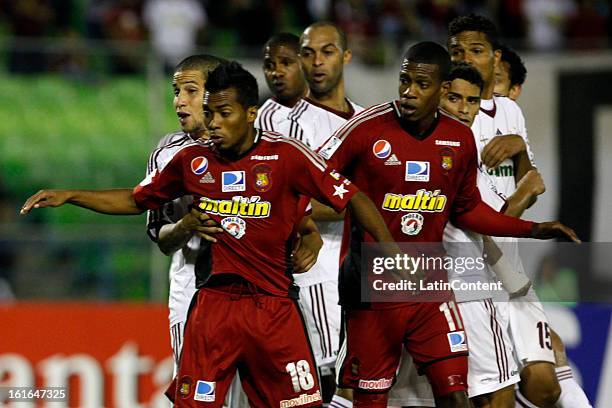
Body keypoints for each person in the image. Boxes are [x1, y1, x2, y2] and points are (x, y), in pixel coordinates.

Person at [20, 61, 400, 408]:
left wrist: (388, 251)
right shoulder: (191, 160)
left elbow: (353, 198)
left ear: (251, 114)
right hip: (214, 307)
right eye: (212, 113)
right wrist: (72, 195)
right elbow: (136, 200)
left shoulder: (287, 156)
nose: (214, 122)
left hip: (274, 308)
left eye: (223, 113)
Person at [317, 41, 579, 408]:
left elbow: (468, 209)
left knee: (457, 395)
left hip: (430, 287)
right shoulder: (365, 129)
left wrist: (532, 229)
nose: (409, 92)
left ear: (441, 89)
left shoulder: (458, 140)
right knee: (370, 400)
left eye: (421, 85)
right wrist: (304, 229)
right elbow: (309, 180)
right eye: (404, 80)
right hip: (373, 288)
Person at [447, 13, 591, 408]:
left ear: (495, 57)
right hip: (471, 266)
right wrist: (518, 211)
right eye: (456, 51)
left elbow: (532, 182)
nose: (465, 58)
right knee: (492, 392)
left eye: (475, 50)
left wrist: (520, 151)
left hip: (510, 263)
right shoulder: (451, 118)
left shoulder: (510, 114)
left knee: (545, 384)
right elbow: (467, 209)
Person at [489, 44, 593, 408]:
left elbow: (532, 186)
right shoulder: (457, 129)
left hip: (506, 272)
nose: (488, 89)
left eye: (497, 81)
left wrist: (521, 157)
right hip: (461, 271)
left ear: (514, 91)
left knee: (549, 371)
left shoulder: (511, 125)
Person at [255, 33, 307, 131]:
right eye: (269, 66)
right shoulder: (260, 123)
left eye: (286, 63)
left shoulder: (334, 111)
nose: (276, 73)